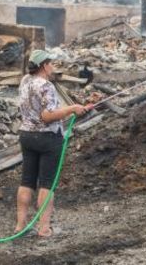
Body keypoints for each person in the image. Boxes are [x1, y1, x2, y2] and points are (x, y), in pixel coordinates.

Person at [15, 49, 94, 238]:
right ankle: (44, 228)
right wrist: (73, 109)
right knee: (47, 184)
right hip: (47, 138)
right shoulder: (46, 86)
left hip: (26, 135)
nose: (53, 66)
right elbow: (47, 116)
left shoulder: (25, 80)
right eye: (51, 63)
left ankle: (20, 225)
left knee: (27, 181)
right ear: (44, 65)